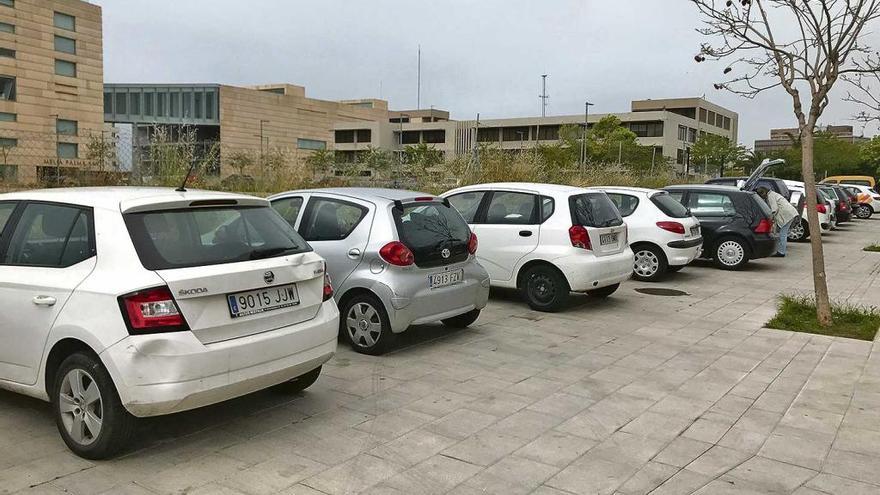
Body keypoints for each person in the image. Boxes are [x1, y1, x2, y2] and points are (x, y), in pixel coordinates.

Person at [756, 187, 799, 257]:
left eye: (761, 195)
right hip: (789, 214)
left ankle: (781, 252)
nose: (762, 197)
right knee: (782, 233)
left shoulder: (771, 196)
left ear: (764, 193)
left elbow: (774, 209)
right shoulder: (772, 194)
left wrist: (770, 218)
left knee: (782, 234)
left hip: (788, 215)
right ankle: (781, 250)